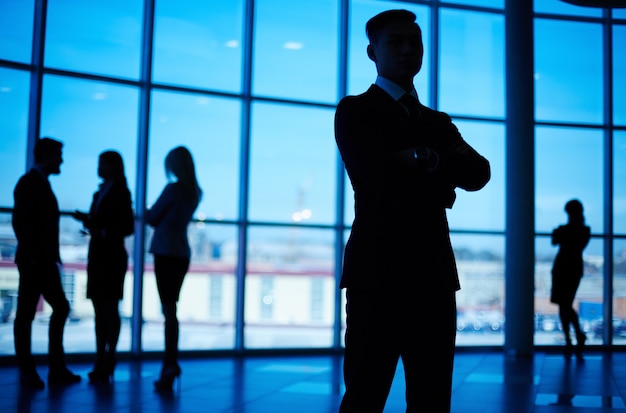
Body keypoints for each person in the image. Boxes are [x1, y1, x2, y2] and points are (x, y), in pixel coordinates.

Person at [334, 9, 491, 412]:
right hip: (377, 276)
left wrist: (419, 159)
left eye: (414, 42)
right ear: (372, 52)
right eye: (395, 42)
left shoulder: (437, 120)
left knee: (432, 397)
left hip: (433, 276)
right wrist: (439, 164)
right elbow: (378, 174)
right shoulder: (354, 110)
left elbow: (478, 173)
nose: (407, 49)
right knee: (365, 395)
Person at [12, 137, 82, 388]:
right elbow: (22, 224)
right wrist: (38, 258)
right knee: (32, 314)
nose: (61, 160)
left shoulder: (35, 183)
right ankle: (38, 370)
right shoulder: (30, 184)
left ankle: (43, 369)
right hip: (36, 261)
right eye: (58, 155)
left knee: (35, 313)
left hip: (40, 261)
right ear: (46, 156)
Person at [71, 150, 134, 383]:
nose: (98, 167)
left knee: (108, 308)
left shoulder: (119, 192)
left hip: (110, 255)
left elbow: (127, 227)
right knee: (101, 309)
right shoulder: (102, 192)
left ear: (112, 167)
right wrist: (89, 221)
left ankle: (108, 356)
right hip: (100, 254)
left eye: (102, 163)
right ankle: (103, 357)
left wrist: (102, 231)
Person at [146, 146, 202, 392]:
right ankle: (171, 363)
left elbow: (152, 217)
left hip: (166, 253)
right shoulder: (194, 192)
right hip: (181, 252)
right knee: (172, 309)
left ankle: (169, 364)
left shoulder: (173, 189)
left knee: (167, 309)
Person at [550, 199, 591, 360]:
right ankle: (574, 336)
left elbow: (556, 240)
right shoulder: (583, 230)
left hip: (565, 268)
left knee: (564, 304)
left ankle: (572, 338)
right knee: (564, 304)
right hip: (569, 269)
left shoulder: (571, 230)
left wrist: (562, 232)